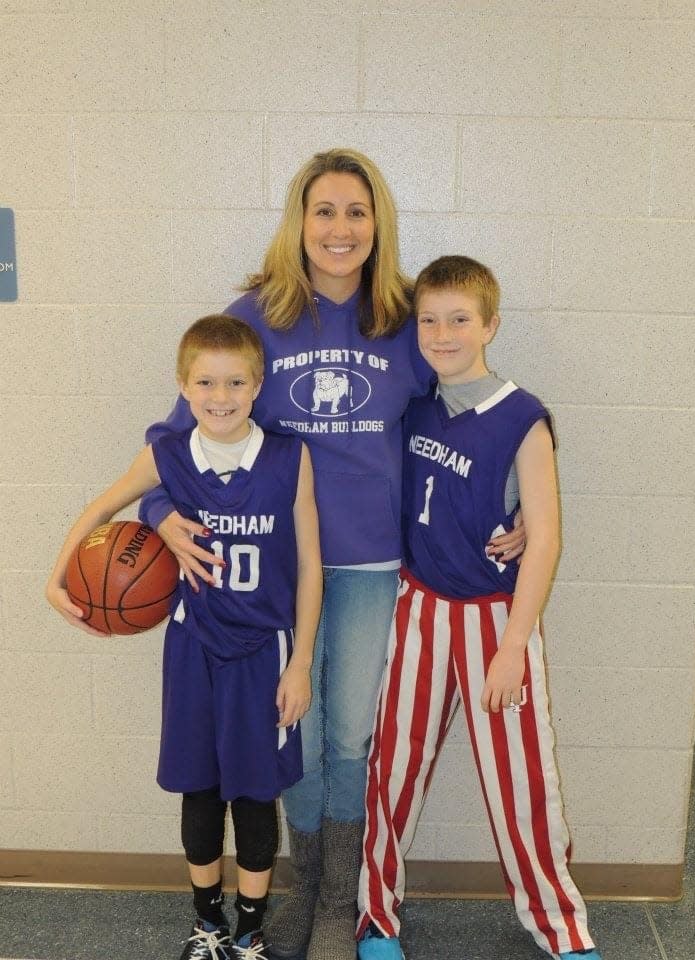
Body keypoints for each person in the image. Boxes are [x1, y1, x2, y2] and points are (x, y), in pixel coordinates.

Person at [139, 150, 525, 960]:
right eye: (324, 211)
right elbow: (183, 429)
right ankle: (303, 882)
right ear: (299, 221)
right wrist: (160, 510)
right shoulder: (258, 313)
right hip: (278, 566)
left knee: (348, 735)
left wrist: (513, 506)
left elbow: (468, 413)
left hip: (374, 562)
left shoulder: (404, 317)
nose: (340, 228)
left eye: (357, 211)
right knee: (300, 736)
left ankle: (336, 901)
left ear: (377, 221)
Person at [46, 315, 322, 960]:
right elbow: (99, 508)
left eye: (234, 382)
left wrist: (302, 660)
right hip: (193, 646)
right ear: (183, 385)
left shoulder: (289, 456)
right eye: (205, 382)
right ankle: (208, 922)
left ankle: (250, 931)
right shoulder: (167, 455)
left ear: (258, 385)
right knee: (200, 788)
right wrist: (55, 577)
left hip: (264, 651)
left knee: (255, 795)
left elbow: (310, 563)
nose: (219, 396)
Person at [356, 256, 602, 960]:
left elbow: (547, 537)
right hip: (422, 608)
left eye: (459, 319)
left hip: (496, 617)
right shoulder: (413, 407)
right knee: (392, 770)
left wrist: (514, 644)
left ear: (490, 325)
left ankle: (561, 928)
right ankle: (377, 916)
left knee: (521, 781)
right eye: (429, 320)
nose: (442, 332)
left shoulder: (523, 417)